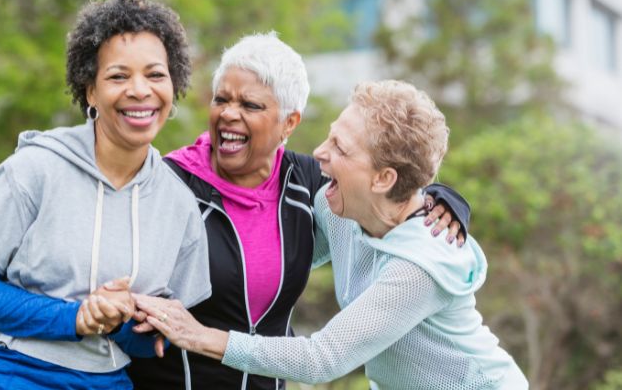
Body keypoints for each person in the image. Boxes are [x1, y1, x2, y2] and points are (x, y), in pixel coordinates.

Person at [124, 33, 471, 390]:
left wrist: (443, 198)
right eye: (221, 99)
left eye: (250, 105)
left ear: (289, 123)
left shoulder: (310, 185)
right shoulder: (165, 185)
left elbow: (385, 194)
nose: (229, 113)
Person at [0, 0, 210, 389]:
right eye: (118, 76)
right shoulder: (36, 169)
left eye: (155, 74)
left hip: (105, 380)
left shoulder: (179, 206)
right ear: (90, 92)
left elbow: (154, 344)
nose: (140, 90)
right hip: (6, 374)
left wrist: (119, 320)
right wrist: (75, 317)